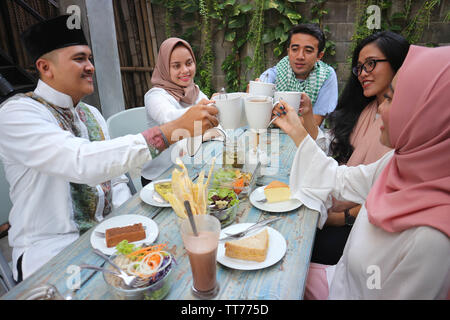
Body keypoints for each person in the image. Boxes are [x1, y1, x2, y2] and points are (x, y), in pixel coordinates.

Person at [0, 16, 218, 281]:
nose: (91, 66)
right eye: (80, 59)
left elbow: (115, 181)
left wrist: (136, 225)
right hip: (50, 253)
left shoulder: (90, 114)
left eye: (90, 58)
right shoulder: (17, 114)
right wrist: (171, 131)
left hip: (110, 238)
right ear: (45, 67)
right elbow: (82, 162)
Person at [272, 44, 450, 299]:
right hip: (340, 281)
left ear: (429, 114)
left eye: (390, 98)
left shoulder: (433, 240)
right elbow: (341, 178)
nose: (380, 109)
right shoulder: (398, 163)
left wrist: (340, 218)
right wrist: (296, 129)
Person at [300, 31, 410, 265]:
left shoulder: (407, 123)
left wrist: (340, 219)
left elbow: (392, 196)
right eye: (359, 67)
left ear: (400, 64)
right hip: (334, 199)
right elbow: (331, 146)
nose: (362, 74)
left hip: (363, 227)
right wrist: (308, 115)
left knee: (302, 248)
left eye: (371, 64)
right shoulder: (365, 107)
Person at [142, 37, 216, 187]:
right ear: (164, 68)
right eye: (176, 66)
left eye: (189, 63)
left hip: (188, 171)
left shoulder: (194, 92)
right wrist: (201, 114)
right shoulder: (155, 96)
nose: (185, 70)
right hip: (159, 177)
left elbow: (213, 124)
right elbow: (171, 121)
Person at [258, 23, 338, 126]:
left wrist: (274, 115)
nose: (300, 56)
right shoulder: (275, 74)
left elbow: (315, 122)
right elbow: (257, 105)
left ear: (319, 56)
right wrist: (251, 95)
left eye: (308, 51)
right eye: (295, 49)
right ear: (288, 51)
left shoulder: (327, 75)